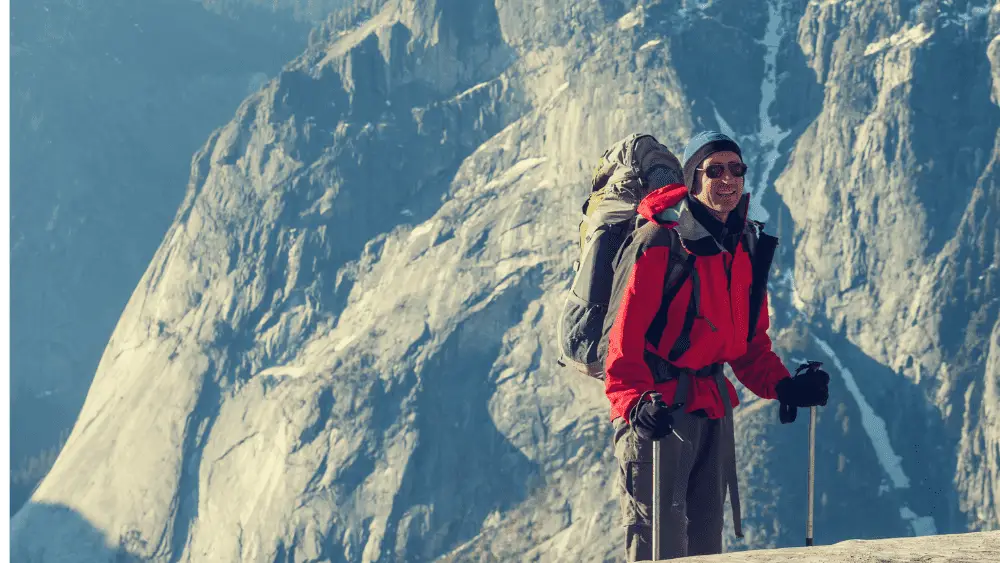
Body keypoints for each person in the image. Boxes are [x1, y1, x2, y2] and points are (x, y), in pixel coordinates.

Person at [603, 131, 830, 561]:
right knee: (660, 547)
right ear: (693, 179)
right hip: (658, 412)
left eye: (736, 169)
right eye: (714, 170)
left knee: (708, 549)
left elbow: (747, 345)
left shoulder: (744, 242)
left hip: (711, 412)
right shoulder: (659, 242)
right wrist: (634, 404)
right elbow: (622, 341)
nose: (727, 179)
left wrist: (784, 386)